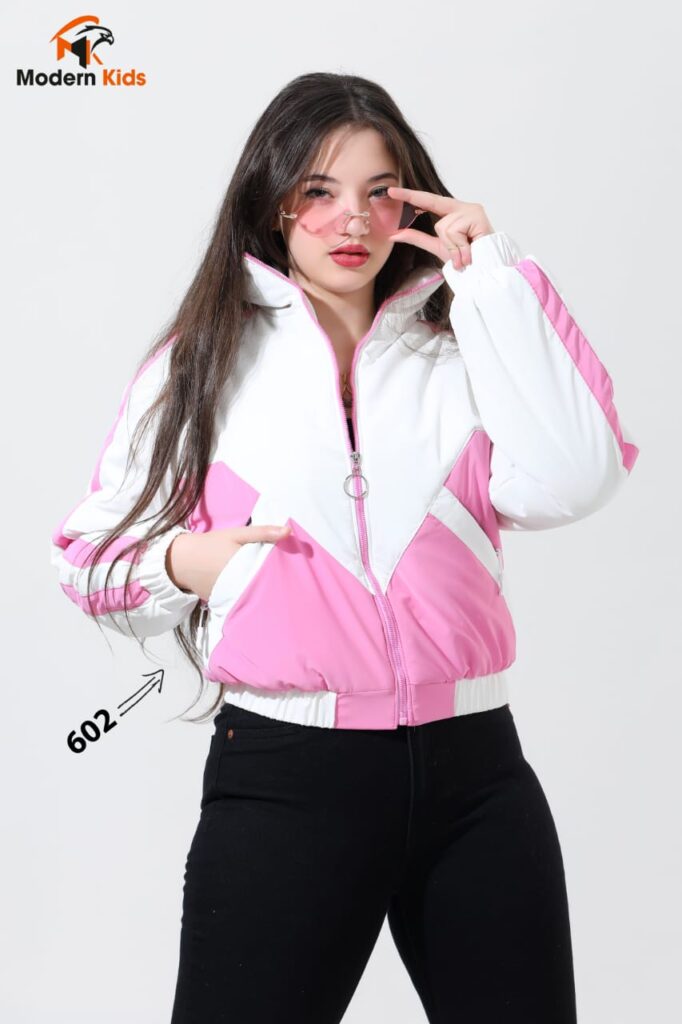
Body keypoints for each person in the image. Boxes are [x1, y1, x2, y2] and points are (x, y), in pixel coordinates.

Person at [50, 72, 639, 1023]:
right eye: (317, 191)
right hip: (287, 777)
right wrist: (189, 565)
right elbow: (85, 563)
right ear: (272, 201)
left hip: (478, 778)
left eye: (380, 191)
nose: (352, 220)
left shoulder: (462, 348)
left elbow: (578, 476)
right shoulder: (200, 364)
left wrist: (492, 277)